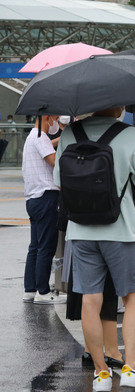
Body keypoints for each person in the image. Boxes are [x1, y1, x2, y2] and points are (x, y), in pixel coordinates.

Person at [53, 107, 135, 392]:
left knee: (90, 298)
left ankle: (100, 374)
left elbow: (59, 182)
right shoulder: (130, 135)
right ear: (119, 106)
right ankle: (132, 368)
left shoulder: (69, 133)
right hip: (121, 231)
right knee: (133, 296)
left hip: (80, 230)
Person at [22, 115, 64, 304]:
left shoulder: (33, 137)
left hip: (33, 199)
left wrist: (58, 140)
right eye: (54, 118)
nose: (56, 122)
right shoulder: (40, 137)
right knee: (46, 247)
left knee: (35, 247)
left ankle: (30, 289)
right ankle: (43, 291)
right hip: (47, 196)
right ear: (47, 118)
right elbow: (54, 160)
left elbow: (47, 145)